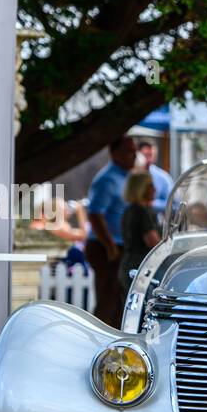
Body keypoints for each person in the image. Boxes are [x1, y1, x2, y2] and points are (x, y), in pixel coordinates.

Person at [86, 135, 137, 325]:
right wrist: (110, 247)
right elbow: (95, 214)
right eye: (129, 151)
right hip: (106, 246)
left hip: (120, 245)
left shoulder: (126, 177)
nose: (134, 155)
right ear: (115, 154)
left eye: (135, 151)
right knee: (108, 301)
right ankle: (99, 345)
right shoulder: (108, 180)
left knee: (120, 302)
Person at [119, 171, 161, 291]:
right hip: (139, 266)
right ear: (141, 188)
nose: (154, 189)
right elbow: (153, 242)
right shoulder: (141, 211)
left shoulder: (129, 210)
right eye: (150, 185)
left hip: (128, 264)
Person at [136, 139, 173, 218]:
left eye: (152, 155)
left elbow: (172, 204)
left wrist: (153, 204)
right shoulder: (130, 175)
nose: (149, 159)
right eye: (146, 155)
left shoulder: (163, 178)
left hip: (153, 221)